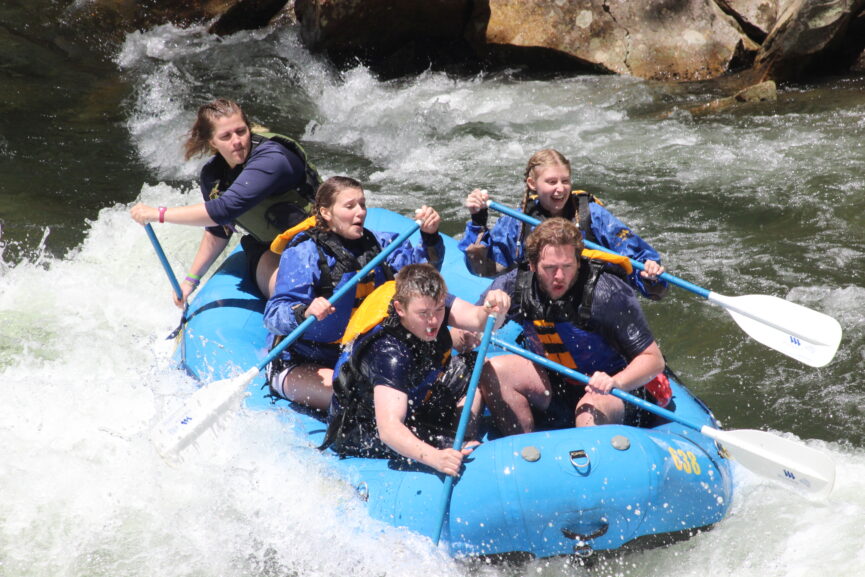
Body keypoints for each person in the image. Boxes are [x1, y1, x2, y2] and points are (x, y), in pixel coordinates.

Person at [263, 176, 445, 412]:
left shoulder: (383, 244)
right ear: (326, 212)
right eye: (350, 206)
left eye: (362, 204)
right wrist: (304, 311)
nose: (360, 212)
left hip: (360, 355)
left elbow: (423, 283)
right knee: (355, 400)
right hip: (304, 360)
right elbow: (274, 314)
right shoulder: (305, 252)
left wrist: (430, 237)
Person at [477, 218, 668, 435]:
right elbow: (471, 328)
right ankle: (523, 447)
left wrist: (615, 381)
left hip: (615, 388)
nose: (559, 276)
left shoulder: (607, 293)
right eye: (550, 268)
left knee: (588, 411)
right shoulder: (515, 284)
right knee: (494, 371)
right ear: (531, 265)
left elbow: (653, 360)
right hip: (558, 384)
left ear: (578, 262)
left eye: (567, 266)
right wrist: (491, 311)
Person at [321, 263, 510, 477]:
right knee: (451, 446)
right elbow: (389, 429)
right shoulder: (388, 353)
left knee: (473, 364)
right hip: (362, 429)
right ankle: (457, 440)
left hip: (415, 397)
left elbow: (480, 320)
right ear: (400, 309)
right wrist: (437, 458)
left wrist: (496, 310)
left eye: (439, 310)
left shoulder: (428, 300)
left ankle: (462, 431)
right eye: (424, 314)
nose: (433, 322)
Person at [130, 98, 321, 306]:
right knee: (285, 291)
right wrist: (190, 282)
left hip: (318, 238)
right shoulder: (212, 176)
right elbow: (218, 230)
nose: (236, 141)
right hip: (272, 248)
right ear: (213, 142)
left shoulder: (272, 158)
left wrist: (158, 214)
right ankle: (295, 316)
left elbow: (224, 209)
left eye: (241, 131)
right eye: (226, 136)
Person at [457, 148, 667, 300]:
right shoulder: (519, 221)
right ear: (532, 184)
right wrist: (478, 219)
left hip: (589, 296)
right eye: (551, 182)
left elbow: (640, 259)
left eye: (565, 181)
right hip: (539, 301)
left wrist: (650, 276)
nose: (560, 189)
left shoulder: (592, 215)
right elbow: (482, 269)